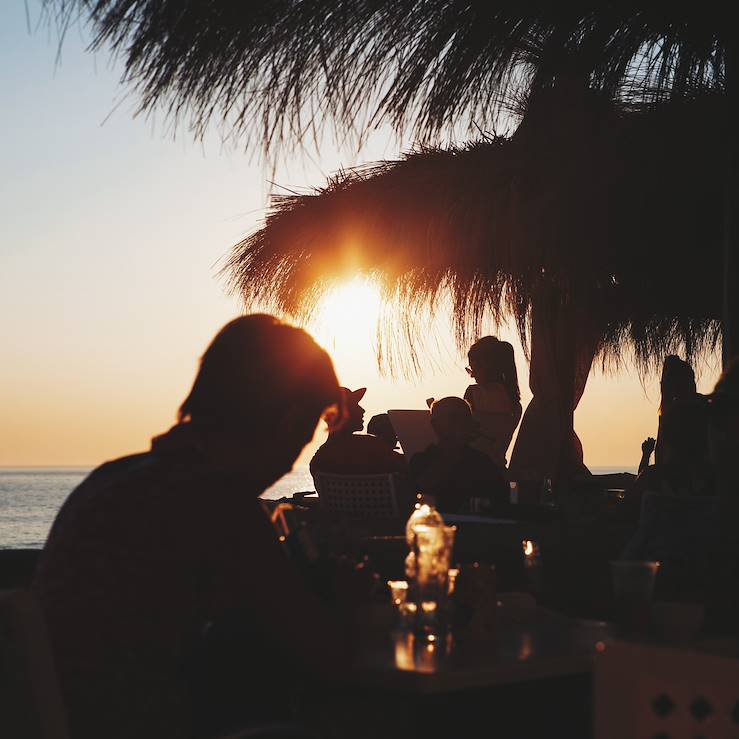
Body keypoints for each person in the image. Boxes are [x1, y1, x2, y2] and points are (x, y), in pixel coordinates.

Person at [33, 315, 353, 739]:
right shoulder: (215, 501)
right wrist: (350, 600)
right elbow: (323, 654)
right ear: (287, 419)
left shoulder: (115, 478)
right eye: (304, 433)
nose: (292, 460)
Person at [409, 396, 508, 513]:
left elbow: (502, 500)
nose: (460, 423)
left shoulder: (481, 461)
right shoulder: (422, 461)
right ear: (436, 425)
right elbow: (422, 488)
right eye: (453, 418)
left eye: (465, 418)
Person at [309, 387, 406, 477]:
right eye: (355, 405)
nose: (362, 410)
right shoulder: (370, 446)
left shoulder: (318, 462)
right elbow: (409, 465)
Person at [463, 336, 523, 468]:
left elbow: (460, 436)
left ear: (485, 365)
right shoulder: (515, 404)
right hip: (498, 471)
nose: (472, 375)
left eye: (473, 368)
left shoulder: (473, 393)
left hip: (472, 470)